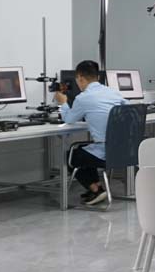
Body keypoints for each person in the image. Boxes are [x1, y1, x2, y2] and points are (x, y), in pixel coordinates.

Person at [54, 60, 126, 205]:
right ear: (97, 77)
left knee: (72, 155)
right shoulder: (115, 93)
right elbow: (128, 113)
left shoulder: (83, 98)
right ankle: (97, 188)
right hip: (124, 151)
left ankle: (95, 189)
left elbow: (69, 119)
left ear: (80, 78)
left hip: (106, 153)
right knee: (84, 150)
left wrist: (63, 103)